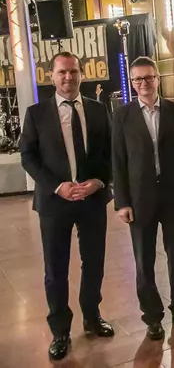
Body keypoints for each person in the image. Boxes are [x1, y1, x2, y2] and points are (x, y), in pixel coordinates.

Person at [19, 52, 113, 361]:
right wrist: (57, 186)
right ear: (51, 76)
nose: (68, 77)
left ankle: (92, 315)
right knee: (55, 269)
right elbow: (28, 156)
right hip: (54, 203)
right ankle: (60, 330)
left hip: (92, 200)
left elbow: (112, 153)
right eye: (62, 73)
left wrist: (100, 181)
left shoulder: (99, 111)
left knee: (94, 262)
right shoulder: (36, 114)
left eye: (73, 72)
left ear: (82, 74)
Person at [112, 57, 174, 341]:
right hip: (139, 199)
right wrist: (122, 201)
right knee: (143, 260)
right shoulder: (122, 116)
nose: (143, 84)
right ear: (132, 82)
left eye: (148, 78)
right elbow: (119, 161)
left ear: (158, 78)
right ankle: (152, 316)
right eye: (137, 79)